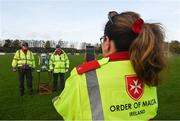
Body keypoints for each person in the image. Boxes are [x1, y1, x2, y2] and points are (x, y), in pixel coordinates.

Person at [52, 11, 166, 120]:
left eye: (103, 39)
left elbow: (65, 110)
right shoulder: (149, 69)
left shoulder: (83, 76)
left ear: (107, 42)